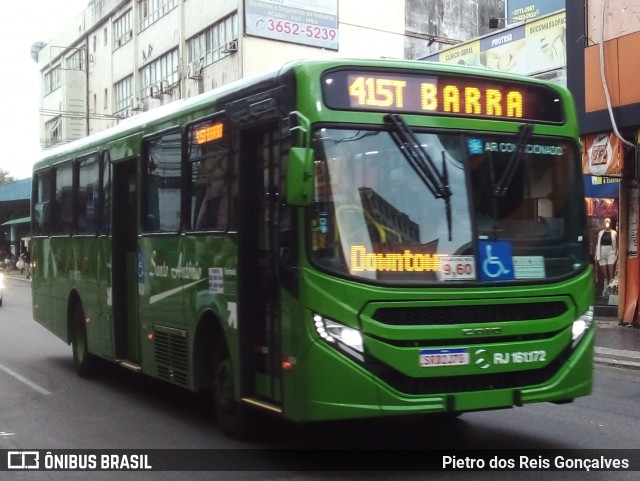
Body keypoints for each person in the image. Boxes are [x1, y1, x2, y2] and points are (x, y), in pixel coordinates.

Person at [594, 217, 618, 298]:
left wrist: (616, 254)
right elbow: (598, 244)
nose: (607, 222)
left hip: (610, 252)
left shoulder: (614, 233)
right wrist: (596, 255)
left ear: (610, 223)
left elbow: (616, 244)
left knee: (611, 271)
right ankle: (605, 289)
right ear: (604, 223)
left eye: (608, 221)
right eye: (606, 221)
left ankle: (611, 290)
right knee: (604, 273)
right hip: (602, 253)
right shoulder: (600, 233)